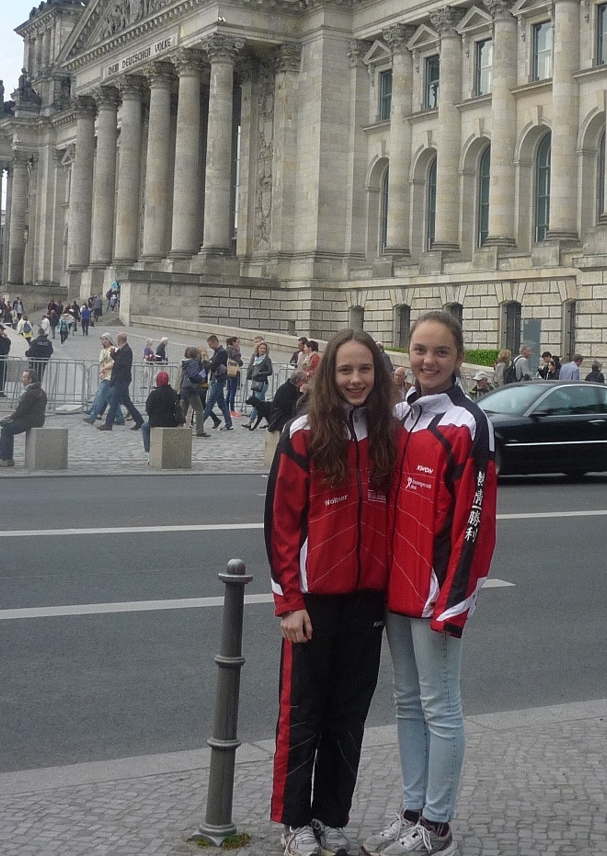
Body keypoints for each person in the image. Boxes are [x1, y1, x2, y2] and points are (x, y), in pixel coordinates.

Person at [364, 310, 496, 856]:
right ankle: (413, 811)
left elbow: (476, 520)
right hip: (396, 587)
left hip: (435, 592)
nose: (429, 360)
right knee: (407, 703)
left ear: (459, 358)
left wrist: (456, 599)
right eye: (420, 349)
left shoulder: (470, 423)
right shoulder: (402, 416)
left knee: (440, 706)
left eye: (441, 351)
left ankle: (437, 827)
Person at [265, 329, 399, 856]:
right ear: (329, 376)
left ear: (378, 374)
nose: (356, 379)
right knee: (303, 714)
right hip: (314, 598)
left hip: (367, 599)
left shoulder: (389, 431)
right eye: (346, 370)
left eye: (365, 369)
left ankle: (332, 817)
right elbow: (280, 524)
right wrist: (289, 603)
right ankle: (295, 823)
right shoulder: (302, 433)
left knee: (349, 717)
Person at [0, 370, 47, 467]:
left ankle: (5, 458)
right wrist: (12, 417)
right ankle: (7, 458)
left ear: (30, 379)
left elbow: (22, 409)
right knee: (7, 429)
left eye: (24, 377)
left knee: (6, 430)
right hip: (37, 419)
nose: (21, 379)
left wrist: (12, 417)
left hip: (29, 420)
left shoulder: (31, 393)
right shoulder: (40, 391)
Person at [101, 333, 144, 432]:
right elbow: (118, 361)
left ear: (119, 340)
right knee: (126, 401)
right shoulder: (123, 350)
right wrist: (113, 354)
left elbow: (123, 366)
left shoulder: (127, 350)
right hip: (121, 380)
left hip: (122, 380)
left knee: (114, 401)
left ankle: (108, 423)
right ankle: (139, 420)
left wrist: (117, 378)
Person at [143, 370, 182, 460]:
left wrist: (152, 417)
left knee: (144, 427)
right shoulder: (173, 393)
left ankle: (148, 451)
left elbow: (148, 408)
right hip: (171, 421)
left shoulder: (154, 394)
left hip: (156, 421)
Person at [200, 334, 234, 432]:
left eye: (210, 344)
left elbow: (213, 365)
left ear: (215, 342)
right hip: (216, 379)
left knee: (210, 402)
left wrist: (210, 363)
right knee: (222, 403)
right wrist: (210, 363)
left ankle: (200, 422)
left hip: (219, 379)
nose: (210, 347)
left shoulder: (221, 352)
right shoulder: (217, 352)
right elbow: (211, 363)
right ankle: (229, 423)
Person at [84, 334, 120, 426]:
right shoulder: (103, 351)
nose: (104, 341)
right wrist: (102, 372)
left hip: (111, 377)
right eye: (102, 339)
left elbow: (115, 363)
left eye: (106, 339)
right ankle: (120, 417)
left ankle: (92, 417)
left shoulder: (114, 349)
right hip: (105, 376)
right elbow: (102, 363)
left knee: (100, 396)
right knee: (110, 399)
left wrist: (104, 368)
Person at [244, 341, 275, 429]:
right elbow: (251, 368)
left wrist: (260, 373)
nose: (262, 350)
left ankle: (250, 422)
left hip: (262, 383)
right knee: (263, 404)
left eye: (264, 348)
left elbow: (270, 371)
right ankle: (269, 421)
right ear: (258, 349)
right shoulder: (255, 358)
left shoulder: (267, 359)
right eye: (261, 348)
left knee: (257, 404)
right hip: (255, 382)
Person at [179, 347, 209, 434]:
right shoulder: (194, 363)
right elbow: (193, 375)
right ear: (197, 354)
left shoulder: (186, 363)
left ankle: (178, 427)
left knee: (183, 410)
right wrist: (200, 377)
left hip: (184, 388)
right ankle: (199, 431)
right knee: (199, 409)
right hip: (191, 389)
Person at [266, 368, 303, 433]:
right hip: (279, 418)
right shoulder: (286, 389)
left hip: (288, 415)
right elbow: (290, 407)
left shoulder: (294, 388)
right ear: (298, 381)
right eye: (305, 380)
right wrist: (301, 393)